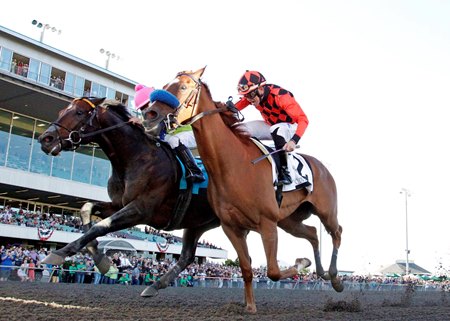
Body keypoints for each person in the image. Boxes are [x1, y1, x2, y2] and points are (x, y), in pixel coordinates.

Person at [235, 70, 309, 185]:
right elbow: (234, 108)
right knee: (240, 129)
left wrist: (294, 140)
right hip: (271, 125)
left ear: (260, 89)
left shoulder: (281, 96)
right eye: (245, 96)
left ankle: (285, 171)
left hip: (291, 127)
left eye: (250, 95)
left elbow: (303, 120)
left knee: (277, 129)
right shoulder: (254, 95)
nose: (248, 99)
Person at [131, 84, 204, 183]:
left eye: (146, 106)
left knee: (174, 140)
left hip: (189, 133)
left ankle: (195, 171)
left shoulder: (164, 108)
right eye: (142, 108)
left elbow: (154, 127)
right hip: (172, 136)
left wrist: (139, 122)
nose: (145, 110)